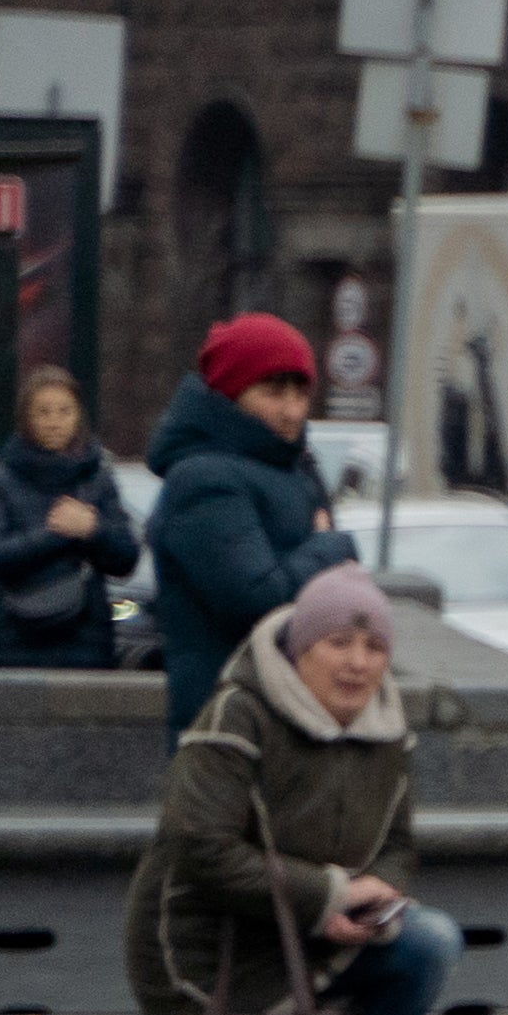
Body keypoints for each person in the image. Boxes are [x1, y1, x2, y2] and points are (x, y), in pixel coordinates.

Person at [0, 567, 459, 1015]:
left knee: (431, 943)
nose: (357, 663)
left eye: (374, 648)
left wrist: (376, 897)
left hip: (310, 934)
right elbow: (201, 848)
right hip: (201, 946)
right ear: (300, 649)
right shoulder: (238, 716)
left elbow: (397, 841)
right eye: (338, 643)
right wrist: (327, 896)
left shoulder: (388, 732)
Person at [142, 314, 356, 735]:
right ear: (230, 393)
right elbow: (256, 600)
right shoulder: (203, 480)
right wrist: (330, 547)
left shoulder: (292, 468)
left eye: (300, 392)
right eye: (274, 392)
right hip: (226, 725)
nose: (292, 411)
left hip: (290, 718)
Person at [0, 367, 141, 670]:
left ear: (78, 416)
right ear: (26, 418)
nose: (54, 422)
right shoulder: (4, 479)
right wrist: (56, 533)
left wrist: (92, 530)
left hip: (86, 633)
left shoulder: (97, 477)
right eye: (43, 412)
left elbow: (126, 558)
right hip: (14, 632)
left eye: (64, 411)